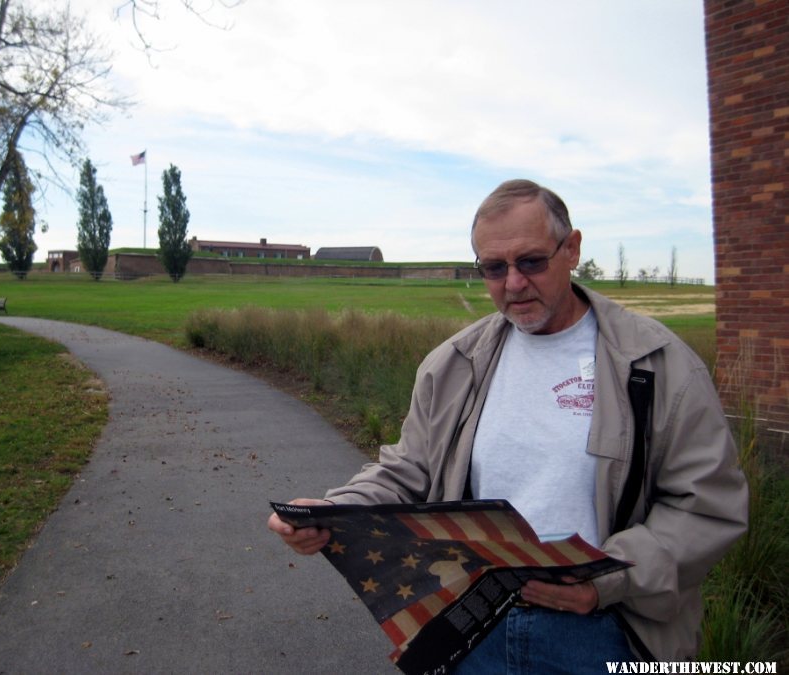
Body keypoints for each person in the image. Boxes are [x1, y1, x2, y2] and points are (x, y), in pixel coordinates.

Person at [267, 179, 748, 671]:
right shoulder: (453, 363)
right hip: (473, 628)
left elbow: (707, 505)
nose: (513, 283)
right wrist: (335, 509)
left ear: (572, 249)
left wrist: (606, 583)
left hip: (606, 634)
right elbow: (409, 468)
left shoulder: (659, 365)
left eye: (531, 261)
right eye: (494, 268)